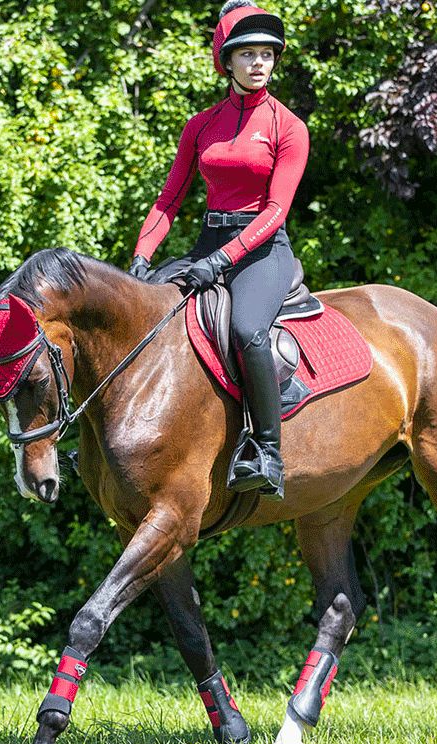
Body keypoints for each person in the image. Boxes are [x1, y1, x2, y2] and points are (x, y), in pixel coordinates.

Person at [129, 0, 309, 500]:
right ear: (226, 62)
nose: (258, 63)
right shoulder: (200, 125)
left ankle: (267, 452)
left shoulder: (287, 126)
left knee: (247, 329)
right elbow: (168, 199)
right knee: (139, 312)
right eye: (247, 54)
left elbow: (276, 211)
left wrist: (221, 261)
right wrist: (142, 258)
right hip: (209, 241)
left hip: (262, 251)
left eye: (267, 55)